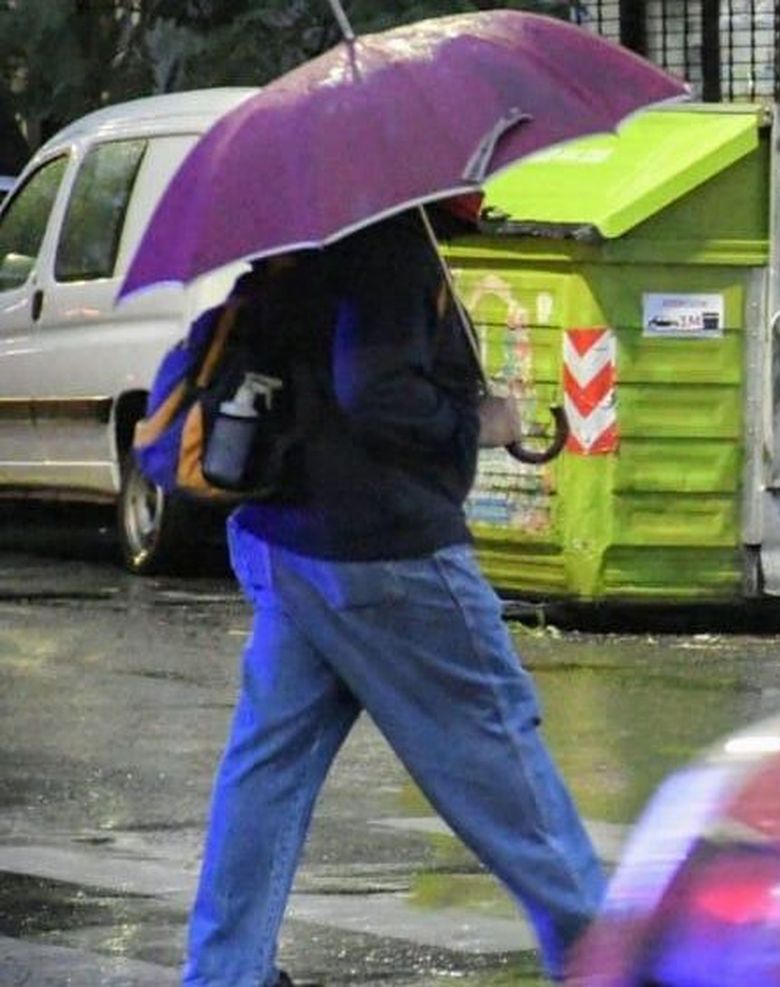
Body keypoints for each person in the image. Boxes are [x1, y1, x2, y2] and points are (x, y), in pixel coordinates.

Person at [181, 209, 604, 987]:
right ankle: (615, 964)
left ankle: (225, 971)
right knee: (502, 762)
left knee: (268, 772)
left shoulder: (306, 239)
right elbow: (375, 392)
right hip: (386, 552)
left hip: (289, 540)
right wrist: (481, 420)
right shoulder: (389, 244)